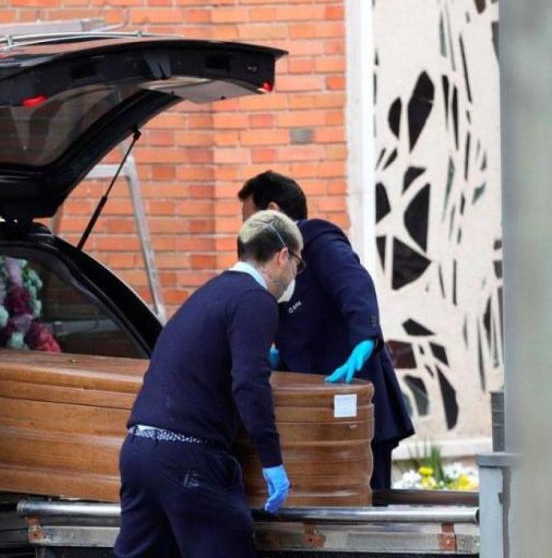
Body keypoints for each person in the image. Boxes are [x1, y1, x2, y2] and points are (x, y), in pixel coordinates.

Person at [114, 210, 301, 558]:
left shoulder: (210, 292)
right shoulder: (256, 300)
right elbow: (249, 382)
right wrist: (272, 461)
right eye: (297, 265)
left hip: (139, 453)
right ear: (283, 256)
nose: (294, 276)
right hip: (188, 461)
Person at [238, 170, 415, 489]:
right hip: (321, 416)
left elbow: (355, 285)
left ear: (274, 213)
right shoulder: (275, 268)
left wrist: (364, 339)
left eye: (249, 222)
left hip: (361, 407)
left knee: (369, 512)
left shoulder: (318, 242)